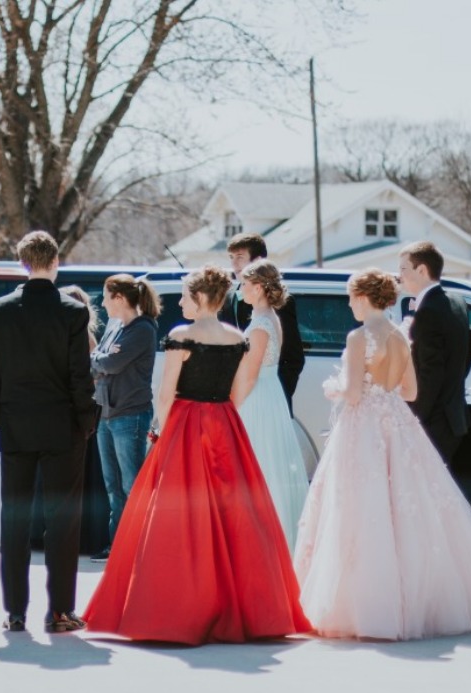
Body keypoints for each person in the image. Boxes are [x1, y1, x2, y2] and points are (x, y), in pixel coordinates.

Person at [83, 265, 311, 645]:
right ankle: (237, 606)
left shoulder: (181, 335)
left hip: (187, 423)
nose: (182, 303)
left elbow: (165, 391)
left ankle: (178, 606)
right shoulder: (237, 336)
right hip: (224, 422)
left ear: (202, 297)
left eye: (187, 296)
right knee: (232, 516)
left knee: (177, 516)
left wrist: (165, 431)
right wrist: (223, 415)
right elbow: (240, 388)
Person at [294, 268, 471, 640]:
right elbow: (411, 391)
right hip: (397, 423)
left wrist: (334, 387)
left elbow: (351, 394)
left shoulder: (359, 337)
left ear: (364, 298)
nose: (349, 304)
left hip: (363, 426)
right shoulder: (401, 335)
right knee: (406, 509)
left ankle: (366, 607)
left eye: (351, 297)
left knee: (360, 508)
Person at [0, 231, 97, 634]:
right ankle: (60, 612)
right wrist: (86, 423)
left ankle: (14, 612)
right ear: (55, 261)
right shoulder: (72, 313)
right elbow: (81, 377)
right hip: (62, 427)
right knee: (62, 522)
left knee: (15, 520)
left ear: (22, 263)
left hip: (15, 426)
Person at [231, 260, 309, 550]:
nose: (241, 290)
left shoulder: (261, 325)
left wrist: (232, 407)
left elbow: (249, 375)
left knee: (261, 464)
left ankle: (263, 543)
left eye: (246, 285)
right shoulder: (269, 317)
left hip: (259, 396)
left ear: (260, 287)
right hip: (269, 392)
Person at [88, 274, 159, 562]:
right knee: (112, 486)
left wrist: (101, 360)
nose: (102, 304)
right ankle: (117, 544)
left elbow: (110, 363)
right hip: (106, 413)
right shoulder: (115, 328)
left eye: (106, 297)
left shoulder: (142, 329)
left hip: (130, 416)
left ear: (119, 298)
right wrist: (100, 360)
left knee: (133, 485)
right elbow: (96, 359)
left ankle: (140, 544)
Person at [396, 241, 471, 465]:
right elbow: (469, 350)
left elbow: (431, 374)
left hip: (433, 422)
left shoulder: (429, 312)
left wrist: (414, 418)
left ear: (421, 270)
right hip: (454, 417)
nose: (399, 276)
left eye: (403, 269)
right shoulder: (457, 302)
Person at [219, 233, 305, 412]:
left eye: (240, 257)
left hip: (268, 401)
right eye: (231, 257)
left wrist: (278, 395)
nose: (234, 264)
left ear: (258, 260)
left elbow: (293, 356)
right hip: (233, 396)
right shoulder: (227, 298)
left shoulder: (280, 303)